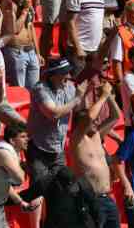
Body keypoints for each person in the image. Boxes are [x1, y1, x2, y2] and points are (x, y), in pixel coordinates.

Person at [27, 59, 89, 189]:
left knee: (64, 189)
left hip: (58, 149)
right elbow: (53, 114)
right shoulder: (41, 89)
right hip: (39, 149)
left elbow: (79, 109)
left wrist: (84, 96)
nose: (68, 76)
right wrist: (77, 98)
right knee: (39, 189)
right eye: (64, 73)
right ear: (53, 75)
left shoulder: (68, 87)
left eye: (69, 72)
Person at [71, 81, 121, 228]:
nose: (95, 122)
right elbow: (89, 118)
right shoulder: (77, 139)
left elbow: (116, 116)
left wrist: (109, 96)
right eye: (92, 122)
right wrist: (104, 96)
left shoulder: (97, 136)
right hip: (89, 199)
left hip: (107, 198)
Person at [65, 0, 106, 75]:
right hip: (80, 50)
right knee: (77, 84)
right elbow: (70, 22)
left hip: (95, 49)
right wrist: (78, 48)